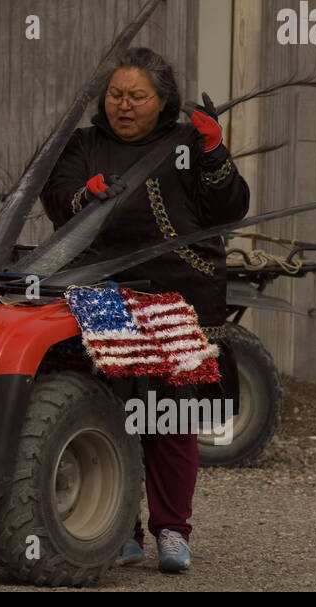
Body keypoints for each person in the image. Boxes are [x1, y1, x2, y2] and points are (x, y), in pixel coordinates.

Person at [41, 47, 249, 573]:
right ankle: (121, 529)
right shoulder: (84, 145)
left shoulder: (184, 146)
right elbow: (56, 195)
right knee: (111, 411)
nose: (123, 106)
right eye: (115, 95)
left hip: (177, 295)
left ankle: (173, 530)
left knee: (172, 416)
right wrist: (83, 195)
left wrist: (216, 152)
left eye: (137, 96)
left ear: (163, 102)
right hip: (102, 291)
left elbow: (229, 207)